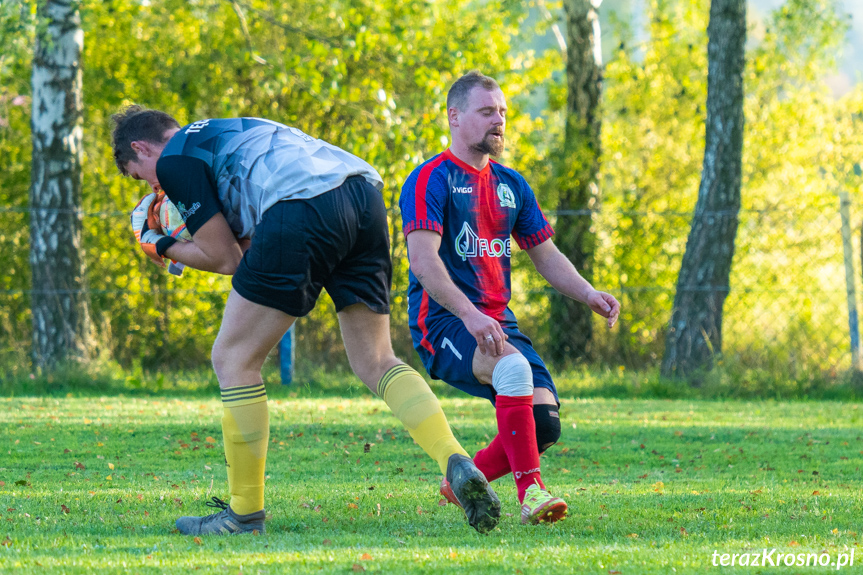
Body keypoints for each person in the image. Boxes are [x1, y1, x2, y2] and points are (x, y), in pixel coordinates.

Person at [111, 106, 501, 535]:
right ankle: (455, 459)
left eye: (139, 175)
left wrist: (158, 244)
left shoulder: (174, 160)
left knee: (232, 358)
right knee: (376, 360)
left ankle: (243, 516)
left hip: (302, 205)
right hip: (363, 193)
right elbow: (248, 244)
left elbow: (225, 259)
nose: (152, 186)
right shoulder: (235, 129)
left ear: (141, 148)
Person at [399, 71, 621, 525]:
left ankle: (464, 478)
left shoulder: (511, 185)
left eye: (502, 112)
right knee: (513, 368)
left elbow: (545, 254)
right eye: (486, 112)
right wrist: (470, 314)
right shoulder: (429, 180)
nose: (498, 121)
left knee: (544, 425)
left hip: (498, 321)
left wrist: (588, 293)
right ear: (455, 117)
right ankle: (532, 493)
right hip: (443, 321)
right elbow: (423, 262)